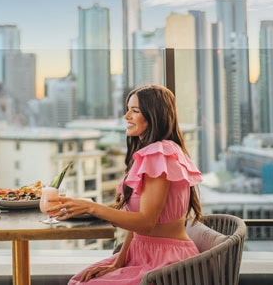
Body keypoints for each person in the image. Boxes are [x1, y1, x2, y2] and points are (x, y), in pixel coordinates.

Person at [49, 84, 203, 284]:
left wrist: (90, 206)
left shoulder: (159, 154)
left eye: (135, 111)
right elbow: (136, 226)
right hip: (141, 254)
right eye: (128, 109)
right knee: (80, 279)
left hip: (167, 262)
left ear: (153, 115)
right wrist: (117, 264)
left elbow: (146, 223)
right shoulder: (151, 153)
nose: (126, 116)